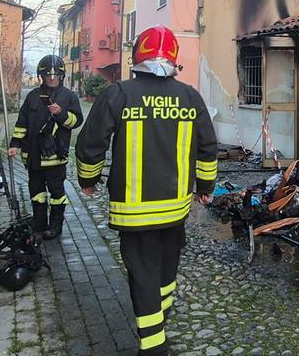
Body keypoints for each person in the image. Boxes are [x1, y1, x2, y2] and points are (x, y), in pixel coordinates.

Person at [76, 26, 218, 356]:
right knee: (167, 267)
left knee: (143, 272)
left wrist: (88, 181)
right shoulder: (190, 96)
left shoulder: (118, 94)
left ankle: (153, 345)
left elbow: (90, 144)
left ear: (137, 55)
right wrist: (206, 188)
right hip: (175, 209)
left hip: (135, 211)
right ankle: (160, 312)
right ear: (173, 59)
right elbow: (208, 148)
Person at [8, 54, 83, 240]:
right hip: (33, 155)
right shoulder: (33, 96)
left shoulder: (69, 97)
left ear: (61, 76)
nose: (51, 78)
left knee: (56, 192)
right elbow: (22, 122)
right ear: (41, 76)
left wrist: (61, 114)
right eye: (48, 75)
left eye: (56, 75)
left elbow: (76, 122)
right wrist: (15, 144)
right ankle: (39, 222)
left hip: (55, 156)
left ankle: (55, 225)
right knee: (36, 191)